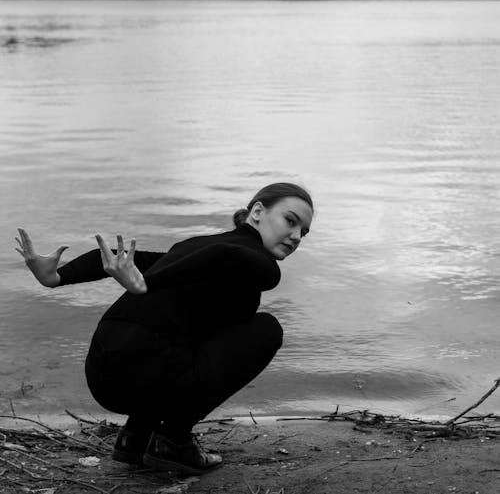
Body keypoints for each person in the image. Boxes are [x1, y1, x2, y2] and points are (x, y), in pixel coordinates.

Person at [15, 182, 313, 475]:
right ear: (258, 211)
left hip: (101, 371)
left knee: (188, 329)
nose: (296, 236)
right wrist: (148, 285)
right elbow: (227, 255)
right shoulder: (257, 263)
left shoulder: (192, 246)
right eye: (291, 221)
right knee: (266, 330)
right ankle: (173, 439)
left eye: (304, 232)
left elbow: (120, 260)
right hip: (142, 367)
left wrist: (56, 277)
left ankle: (134, 438)